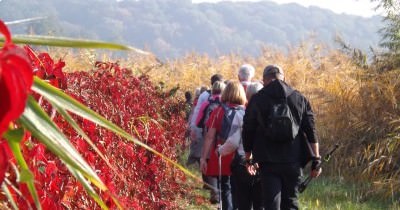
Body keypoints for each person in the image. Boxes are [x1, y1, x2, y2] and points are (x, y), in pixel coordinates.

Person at [242, 64, 322, 210]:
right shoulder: (299, 98)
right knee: (291, 202)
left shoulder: (257, 99)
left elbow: (248, 129)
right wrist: (316, 159)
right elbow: (311, 129)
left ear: (264, 80)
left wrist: (248, 157)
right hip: (294, 159)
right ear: (284, 78)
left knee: (271, 203)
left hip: (267, 160)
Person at [217, 81, 264, 210]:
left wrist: (220, 151)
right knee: (260, 203)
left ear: (247, 96)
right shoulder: (269, 114)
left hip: (244, 164)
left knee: (244, 202)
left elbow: (233, 142)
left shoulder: (244, 114)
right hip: (264, 164)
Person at [201, 81, 247, 210]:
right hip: (242, 154)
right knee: (241, 188)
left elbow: (209, 137)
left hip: (223, 153)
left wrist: (203, 158)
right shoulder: (247, 112)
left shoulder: (218, 111)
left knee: (225, 187)